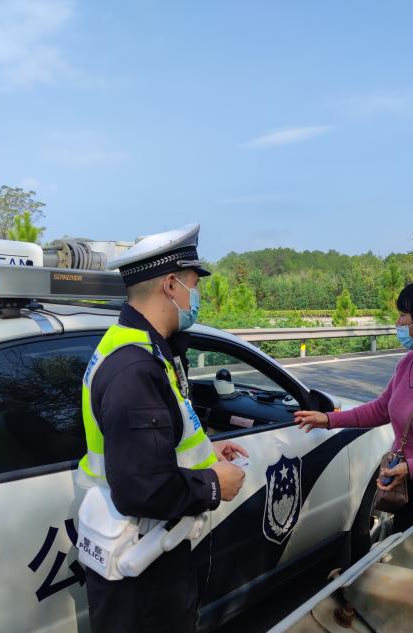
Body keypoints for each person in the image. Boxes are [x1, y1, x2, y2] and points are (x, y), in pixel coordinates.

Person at [78, 224, 248, 633]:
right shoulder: (135, 367)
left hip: (149, 550)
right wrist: (211, 484)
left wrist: (207, 455)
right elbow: (142, 487)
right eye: (193, 284)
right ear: (171, 286)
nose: (197, 296)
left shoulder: (136, 346)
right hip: (144, 562)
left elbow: (155, 441)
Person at [294, 282, 413, 533]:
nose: (398, 322)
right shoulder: (410, 362)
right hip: (407, 487)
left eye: (403, 315)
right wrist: (328, 419)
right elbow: (381, 409)